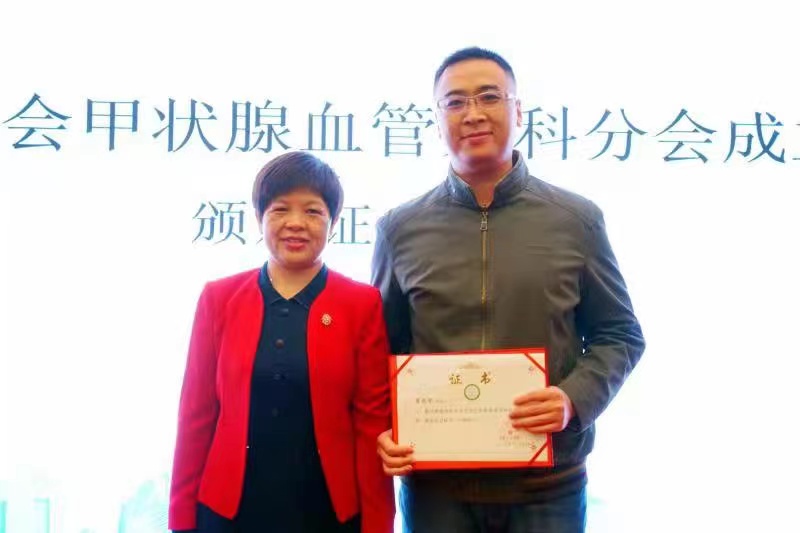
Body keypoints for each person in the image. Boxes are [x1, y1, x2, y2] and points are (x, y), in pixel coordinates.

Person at [371, 46, 646, 533]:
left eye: (489, 97)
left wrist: (571, 400)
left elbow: (620, 334)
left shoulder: (575, 220)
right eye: (455, 102)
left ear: (519, 111)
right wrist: (383, 429)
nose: (473, 113)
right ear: (436, 121)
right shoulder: (400, 228)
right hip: (435, 490)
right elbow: (381, 352)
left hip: (549, 487)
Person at [169, 151, 395, 533]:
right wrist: (181, 519)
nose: (296, 223)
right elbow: (195, 415)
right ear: (260, 218)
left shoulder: (361, 304)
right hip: (229, 512)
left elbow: (371, 424)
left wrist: (377, 525)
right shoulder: (219, 298)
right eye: (280, 210)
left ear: (333, 222)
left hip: (327, 512)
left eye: (313, 211)